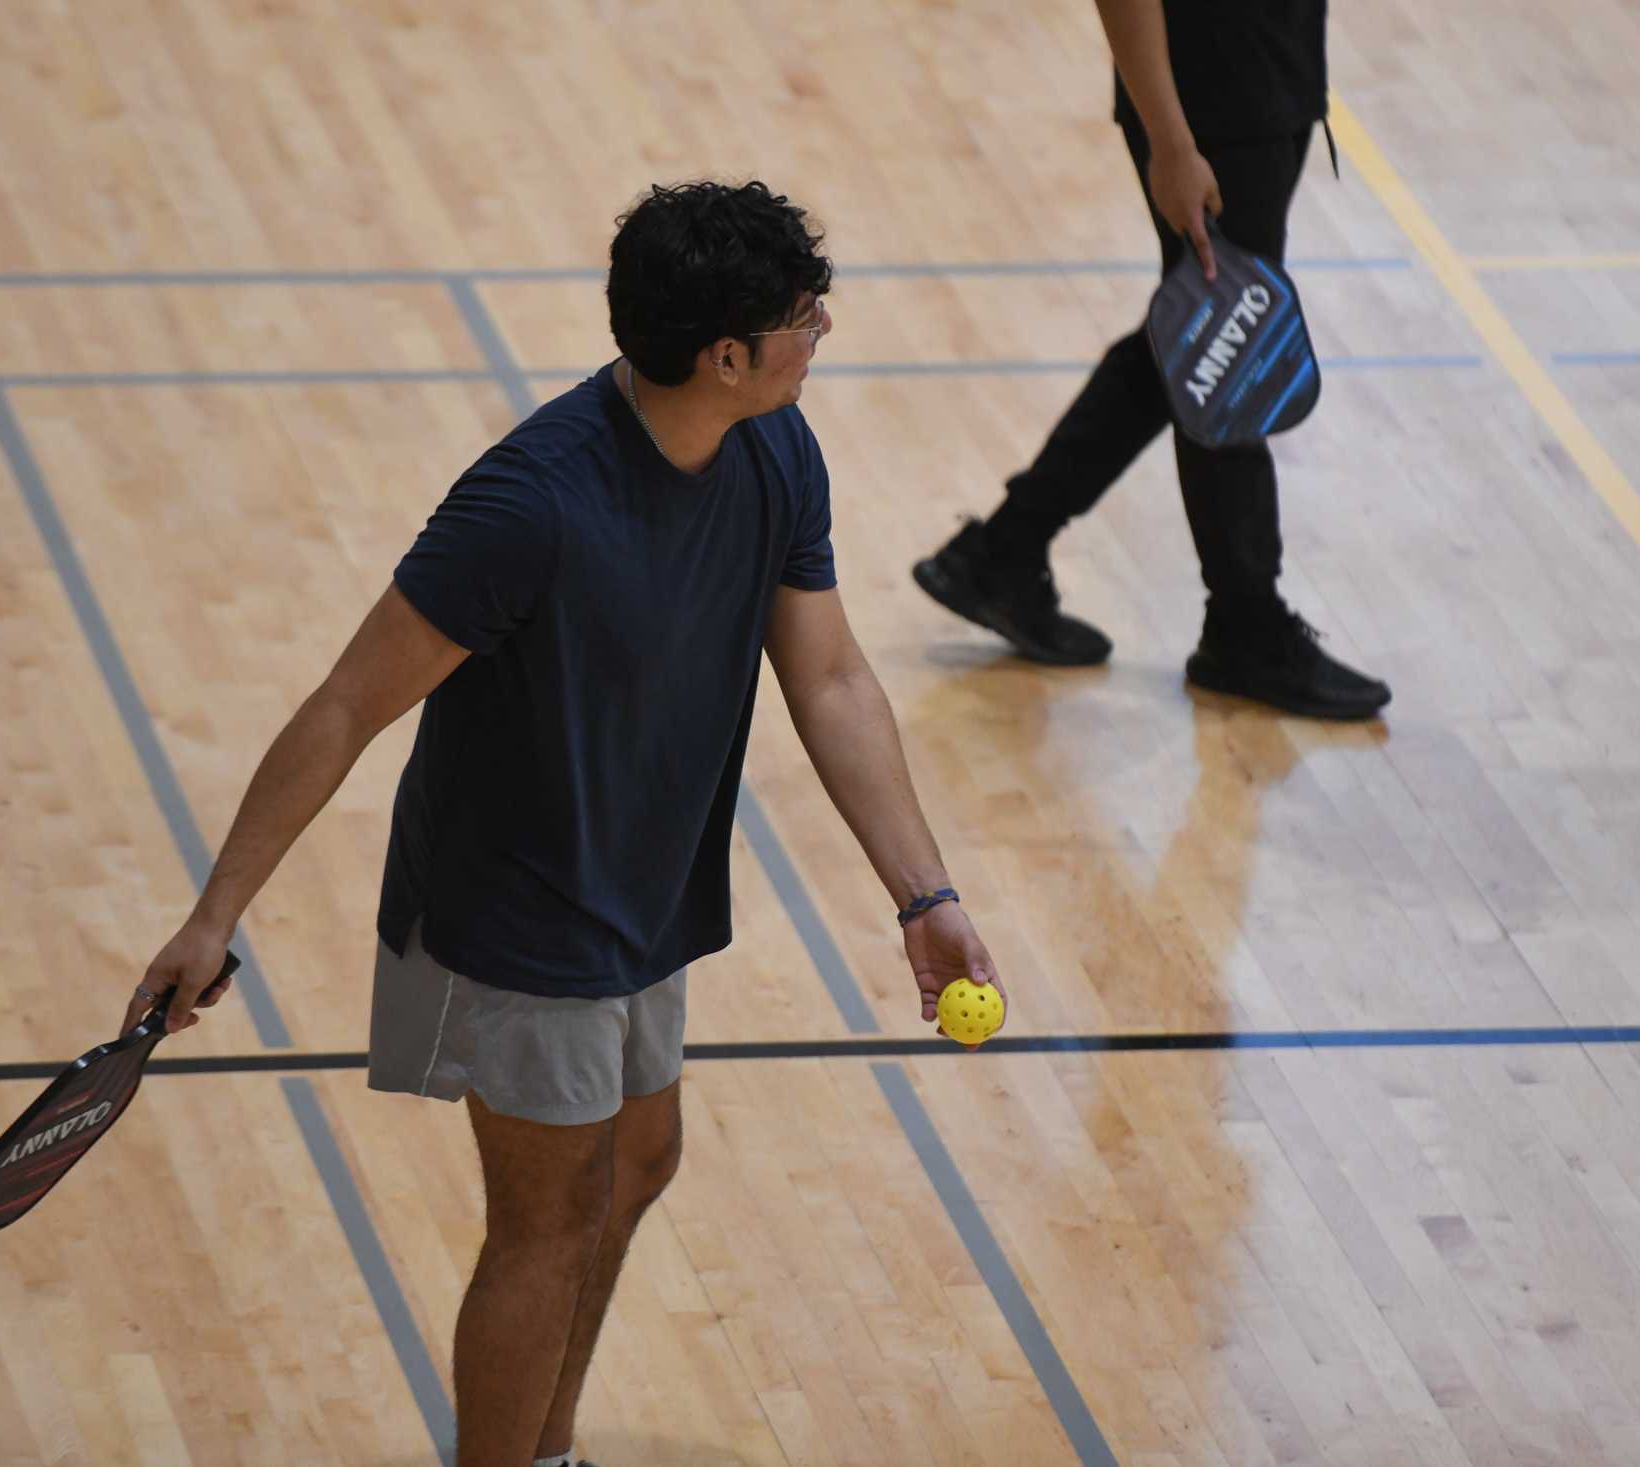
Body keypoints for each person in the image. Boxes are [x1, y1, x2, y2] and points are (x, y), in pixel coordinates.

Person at [126, 180, 1004, 1467]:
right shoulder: (530, 503)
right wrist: (214, 916)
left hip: (643, 884)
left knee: (639, 1163)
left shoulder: (773, 452)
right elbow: (342, 709)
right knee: (546, 1221)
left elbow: (828, 678)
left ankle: (545, 1450)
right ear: (726, 355)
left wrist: (925, 897)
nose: (823, 329)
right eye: (806, 316)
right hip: (516, 908)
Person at [913, 0, 1392, 720]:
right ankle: (1243, 620)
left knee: (1206, 341)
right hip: (1209, 110)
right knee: (1226, 351)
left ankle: (1005, 552)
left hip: (1271, 85)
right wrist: (1171, 141)